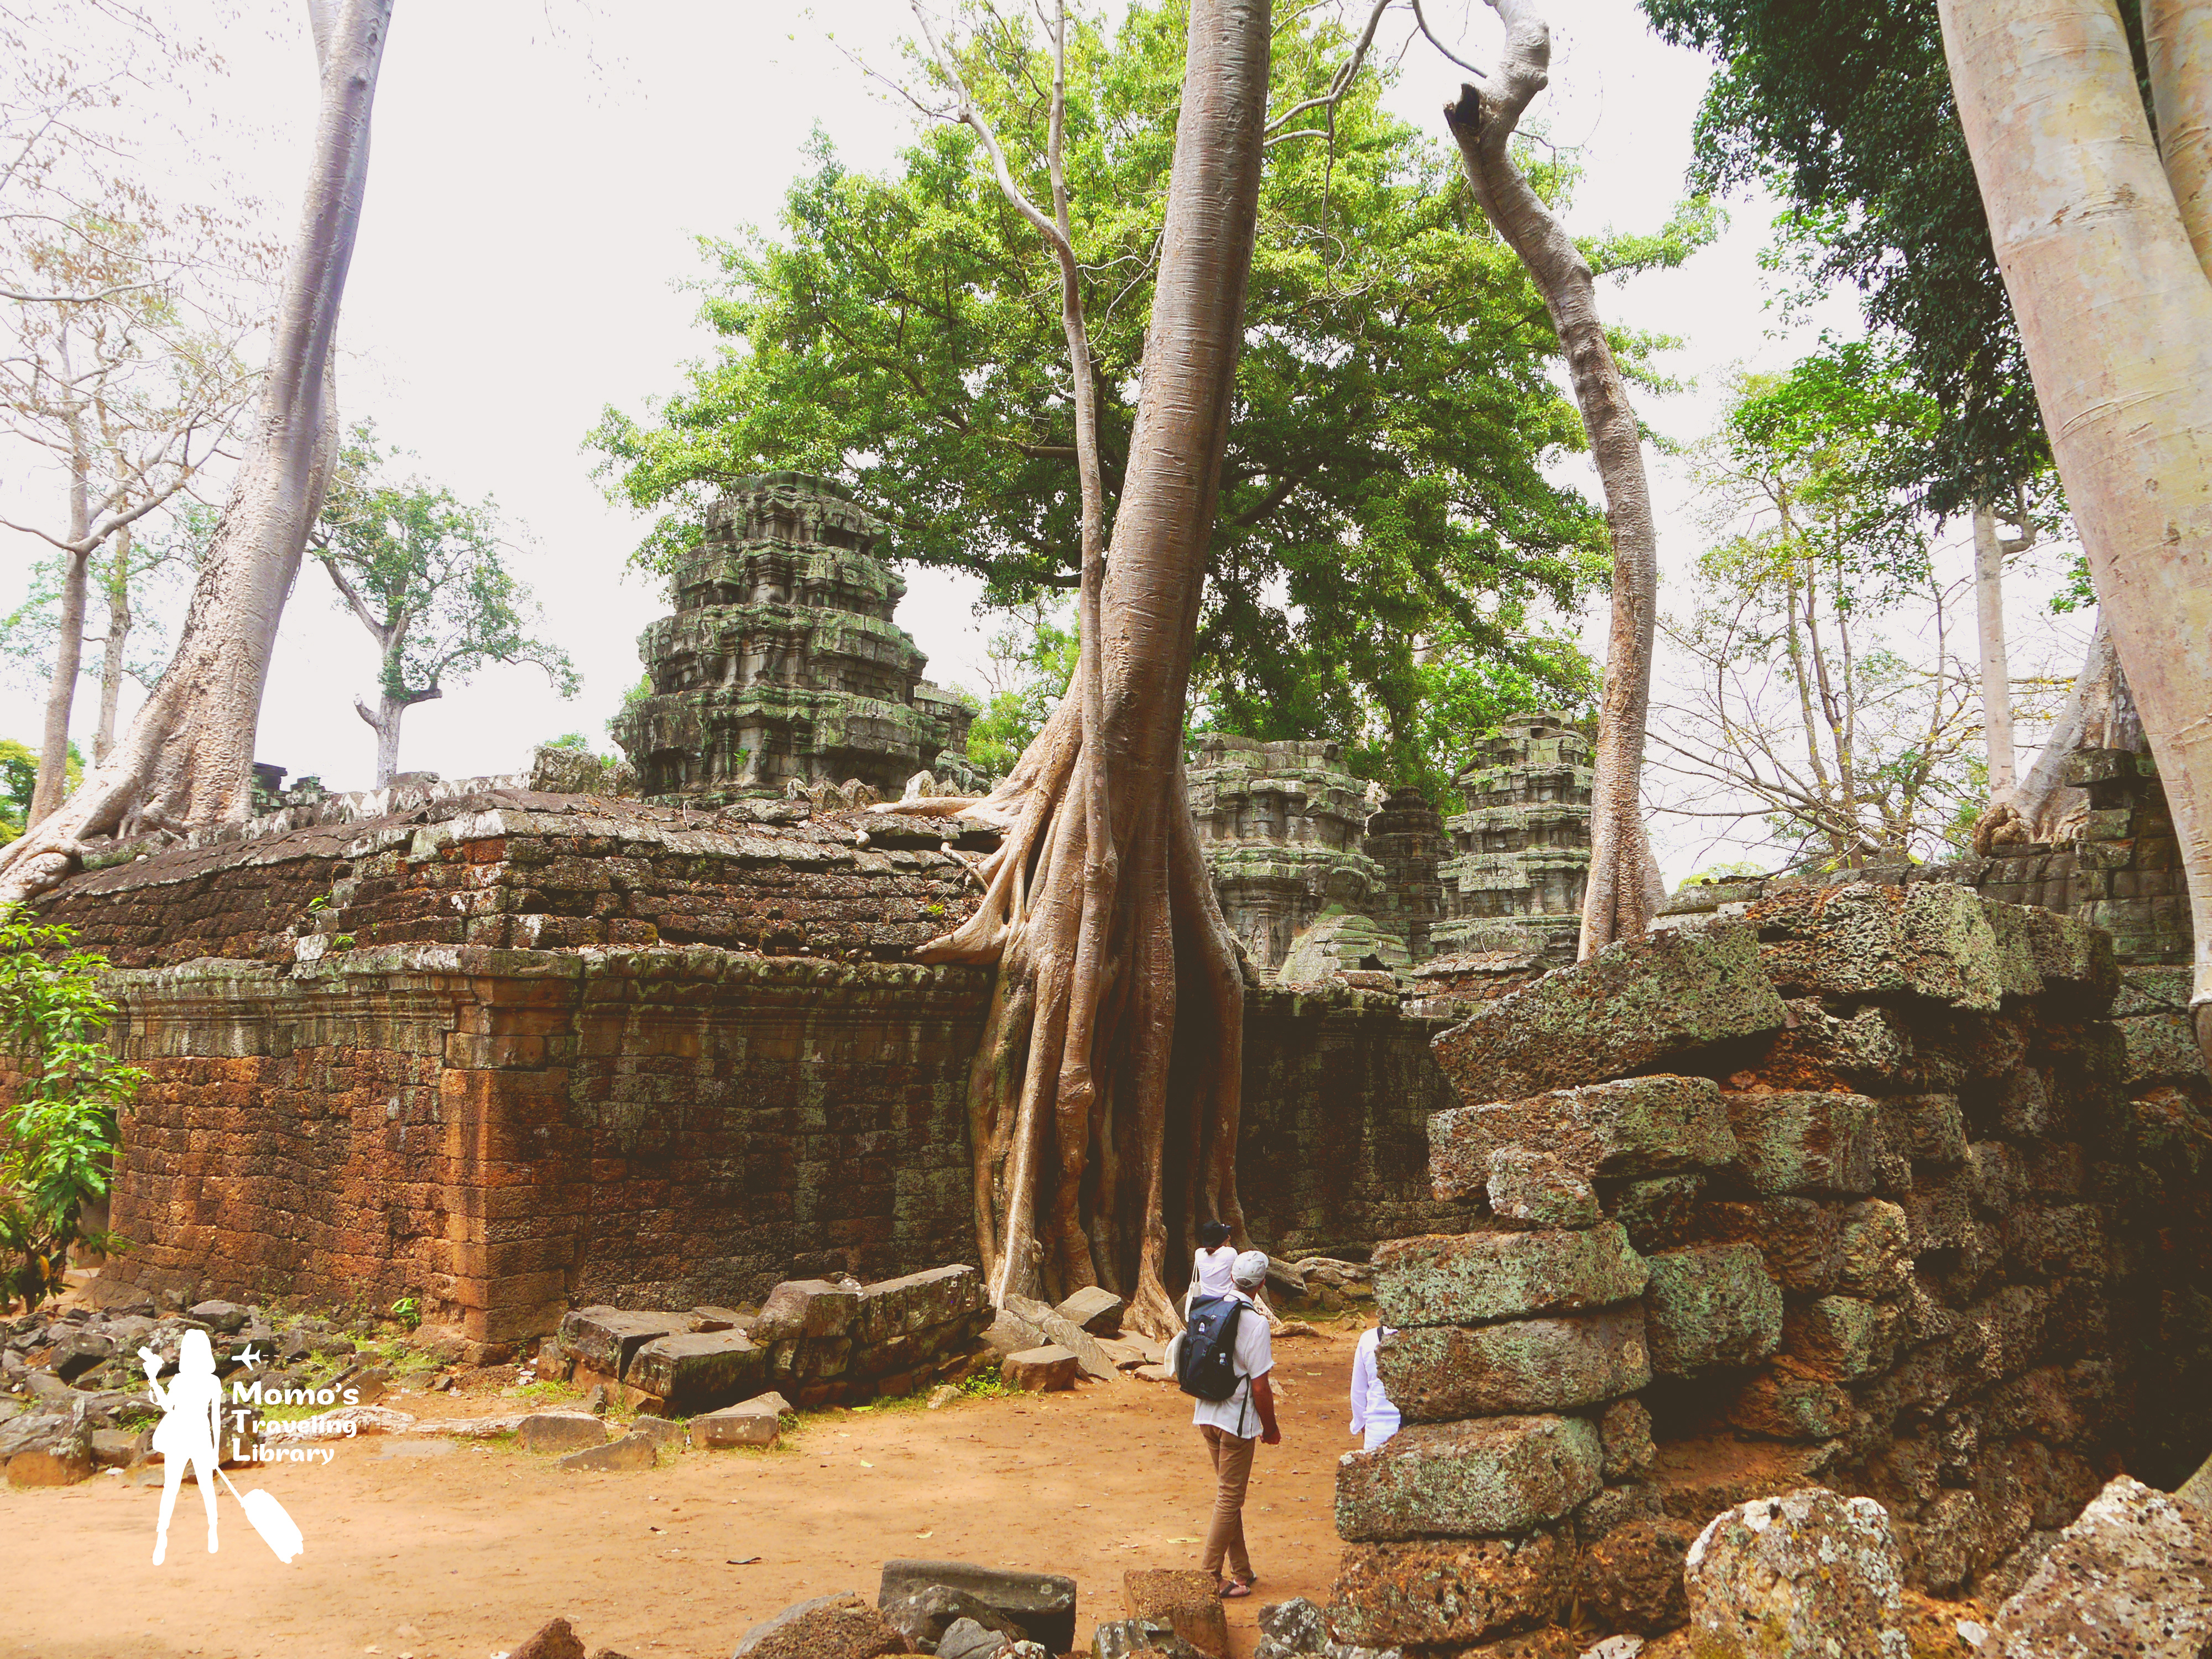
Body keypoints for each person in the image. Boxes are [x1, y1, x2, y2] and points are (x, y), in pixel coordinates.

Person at [1192, 1248, 1279, 1600]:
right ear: (1260, 1284)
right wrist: (1270, 1428)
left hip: (1206, 1413)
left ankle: (1242, 1570)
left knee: (1231, 1493)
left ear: (1232, 1278)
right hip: (1235, 1422)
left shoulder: (1210, 1307)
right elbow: (1260, 1385)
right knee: (1230, 1497)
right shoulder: (1256, 1323)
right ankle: (1209, 1575)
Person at [141, 1329, 225, 1566]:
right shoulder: (181, 1380)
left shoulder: (212, 1381)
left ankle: (212, 1529)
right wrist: (154, 1381)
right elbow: (168, 1406)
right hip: (181, 1435)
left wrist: (216, 1450)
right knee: (172, 1487)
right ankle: (162, 1536)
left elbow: (215, 1418)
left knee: (204, 1486)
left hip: (199, 1436)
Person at [1349, 1321, 1401, 1451]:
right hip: (1419, 1433)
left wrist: (1361, 1424)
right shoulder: (1430, 1341)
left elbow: (1358, 1392)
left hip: (1378, 1432)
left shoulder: (1369, 1339)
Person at [1185, 1219, 1236, 1315]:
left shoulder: (1199, 1254)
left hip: (1207, 1305)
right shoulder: (1231, 1253)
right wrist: (1226, 1237)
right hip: (1226, 1305)